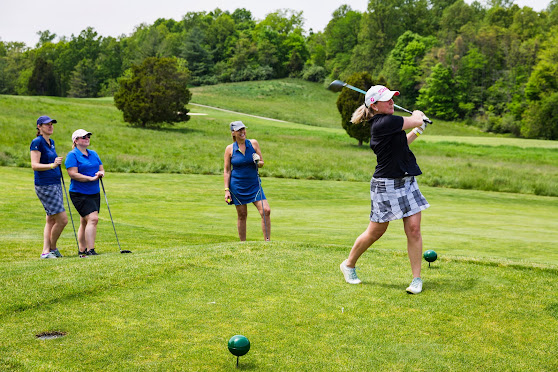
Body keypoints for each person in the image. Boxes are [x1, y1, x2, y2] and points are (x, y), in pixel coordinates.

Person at [339, 85, 430, 294]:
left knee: (414, 229)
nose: (391, 102)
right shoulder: (383, 123)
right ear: (374, 106)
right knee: (376, 231)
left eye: (392, 98)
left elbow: (400, 146)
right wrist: (418, 117)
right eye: (387, 99)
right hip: (385, 185)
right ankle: (349, 264)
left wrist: (416, 132)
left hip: (407, 181)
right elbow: (415, 118)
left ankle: (417, 279)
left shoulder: (390, 123)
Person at [224, 121, 271, 241]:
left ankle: (267, 241)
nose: (242, 132)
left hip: (254, 184)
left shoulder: (253, 143)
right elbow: (227, 170)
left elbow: (261, 164)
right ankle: (243, 243)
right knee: (242, 214)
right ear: (233, 132)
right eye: (239, 130)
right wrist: (226, 190)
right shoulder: (230, 149)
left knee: (266, 210)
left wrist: (257, 161)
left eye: (243, 129)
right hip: (237, 186)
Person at [30, 115, 69, 259]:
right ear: (39, 127)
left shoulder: (51, 142)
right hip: (45, 185)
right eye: (47, 124)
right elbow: (35, 165)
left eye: (52, 124)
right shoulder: (37, 142)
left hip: (55, 183)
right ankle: (52, 248)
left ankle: (46, 251)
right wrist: (52, 165)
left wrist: (56, 164)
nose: (50, 126)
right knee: (62, 219)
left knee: (51, 219)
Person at [65, 129, 104, 256]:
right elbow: (73, 174)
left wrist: (100, 174)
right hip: (79, 193)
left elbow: (101, 169)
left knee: (85, 221)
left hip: (94, 192)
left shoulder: (93, 154)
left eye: (88, 136)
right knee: (93, 219)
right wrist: (90, 178)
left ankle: (82, 250)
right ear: (76, 141)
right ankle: (90, 250)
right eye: (83, 137)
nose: (87, 138)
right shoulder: (72, 155)